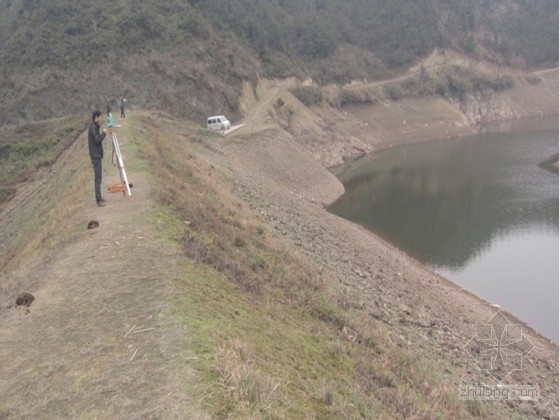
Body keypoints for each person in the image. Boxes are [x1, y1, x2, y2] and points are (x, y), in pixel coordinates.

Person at [88, 110, 108, 207]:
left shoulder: (94, 127)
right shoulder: (93, 128)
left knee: (99, 177)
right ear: (96, 117)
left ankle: (99, 198)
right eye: (100, 117)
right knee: (98, 178)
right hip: (95, 156)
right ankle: (98, 200)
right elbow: (97, 140)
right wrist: (103, 133)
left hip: (96, 155)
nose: (101, 119)